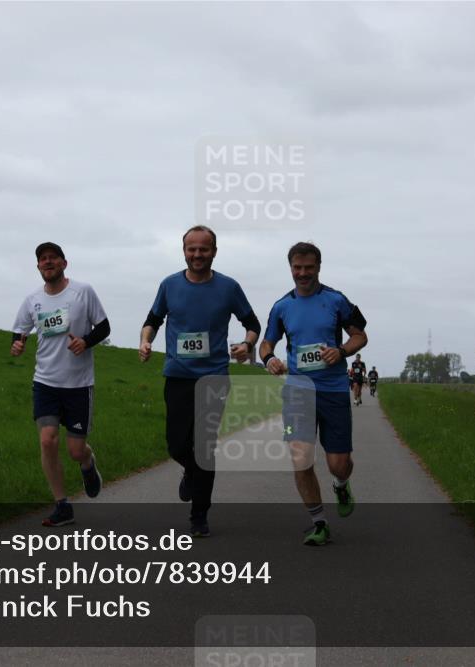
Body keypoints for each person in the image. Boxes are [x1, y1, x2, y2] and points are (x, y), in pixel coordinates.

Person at [139, 225, 260, 537]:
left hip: (214, 378)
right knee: (177, 445)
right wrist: (145, 341)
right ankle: (190, 473)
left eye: (203, 249)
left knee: (204, 447)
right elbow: (153, 319)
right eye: (192, 249)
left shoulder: (229, 287)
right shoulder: (169, 285)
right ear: (184, 252)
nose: (197, 255)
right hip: (178, 376)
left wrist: (246, 345)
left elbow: (252, 323)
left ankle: (199, 515)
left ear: (214, 252)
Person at [259, 241, 368, 546]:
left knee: (338, 464)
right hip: (298, 391)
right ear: (290, 268)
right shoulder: (282, 306)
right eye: (297, 268)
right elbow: (266, 344)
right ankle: (319, 523)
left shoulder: (335, 300)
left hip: (332, 390)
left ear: (319, 267)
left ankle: (341, 484)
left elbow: (360, 335)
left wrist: (341, 351)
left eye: (309, 268)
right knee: (301, 458)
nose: (303, 273)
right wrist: (270, 359)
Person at [11, 242, 110, 527]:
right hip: (45, 381)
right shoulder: (32, 300)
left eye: (53, 258)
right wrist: (18, 344)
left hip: (78, 384)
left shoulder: (83, 292)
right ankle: (62, 505)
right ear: (38, 267)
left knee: (76, 451)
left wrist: (85, 341)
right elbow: (20, 330)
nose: (48, 262)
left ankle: (88, 465)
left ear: (64, 263)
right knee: (47, 439)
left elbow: (104, 327)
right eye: (43, 259)